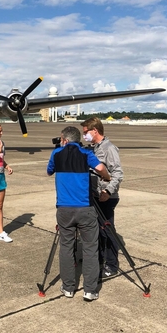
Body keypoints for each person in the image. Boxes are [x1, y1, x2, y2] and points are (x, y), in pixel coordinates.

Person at [47, 126, 111, 301]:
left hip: (64, 209)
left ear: (65, 140)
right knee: (91, 247)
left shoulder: (56, 154)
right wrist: (107, 178)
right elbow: (99, 168)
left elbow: (49, 171)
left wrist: (58, 153)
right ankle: (90, 290)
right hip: (85, 208)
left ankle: (68, 287)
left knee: (66, 247)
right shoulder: (85, 154)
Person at [80, 117, 123, 277]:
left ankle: (112, 264)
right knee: (96, 230)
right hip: (94, 196)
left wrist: (108, 191)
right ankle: (97, 258)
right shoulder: (94, 148)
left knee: (107, 230)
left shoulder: (108, 148)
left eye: (86, 133)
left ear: (95, 131)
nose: (84, 136)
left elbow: (118, 173)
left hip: (106, 197)